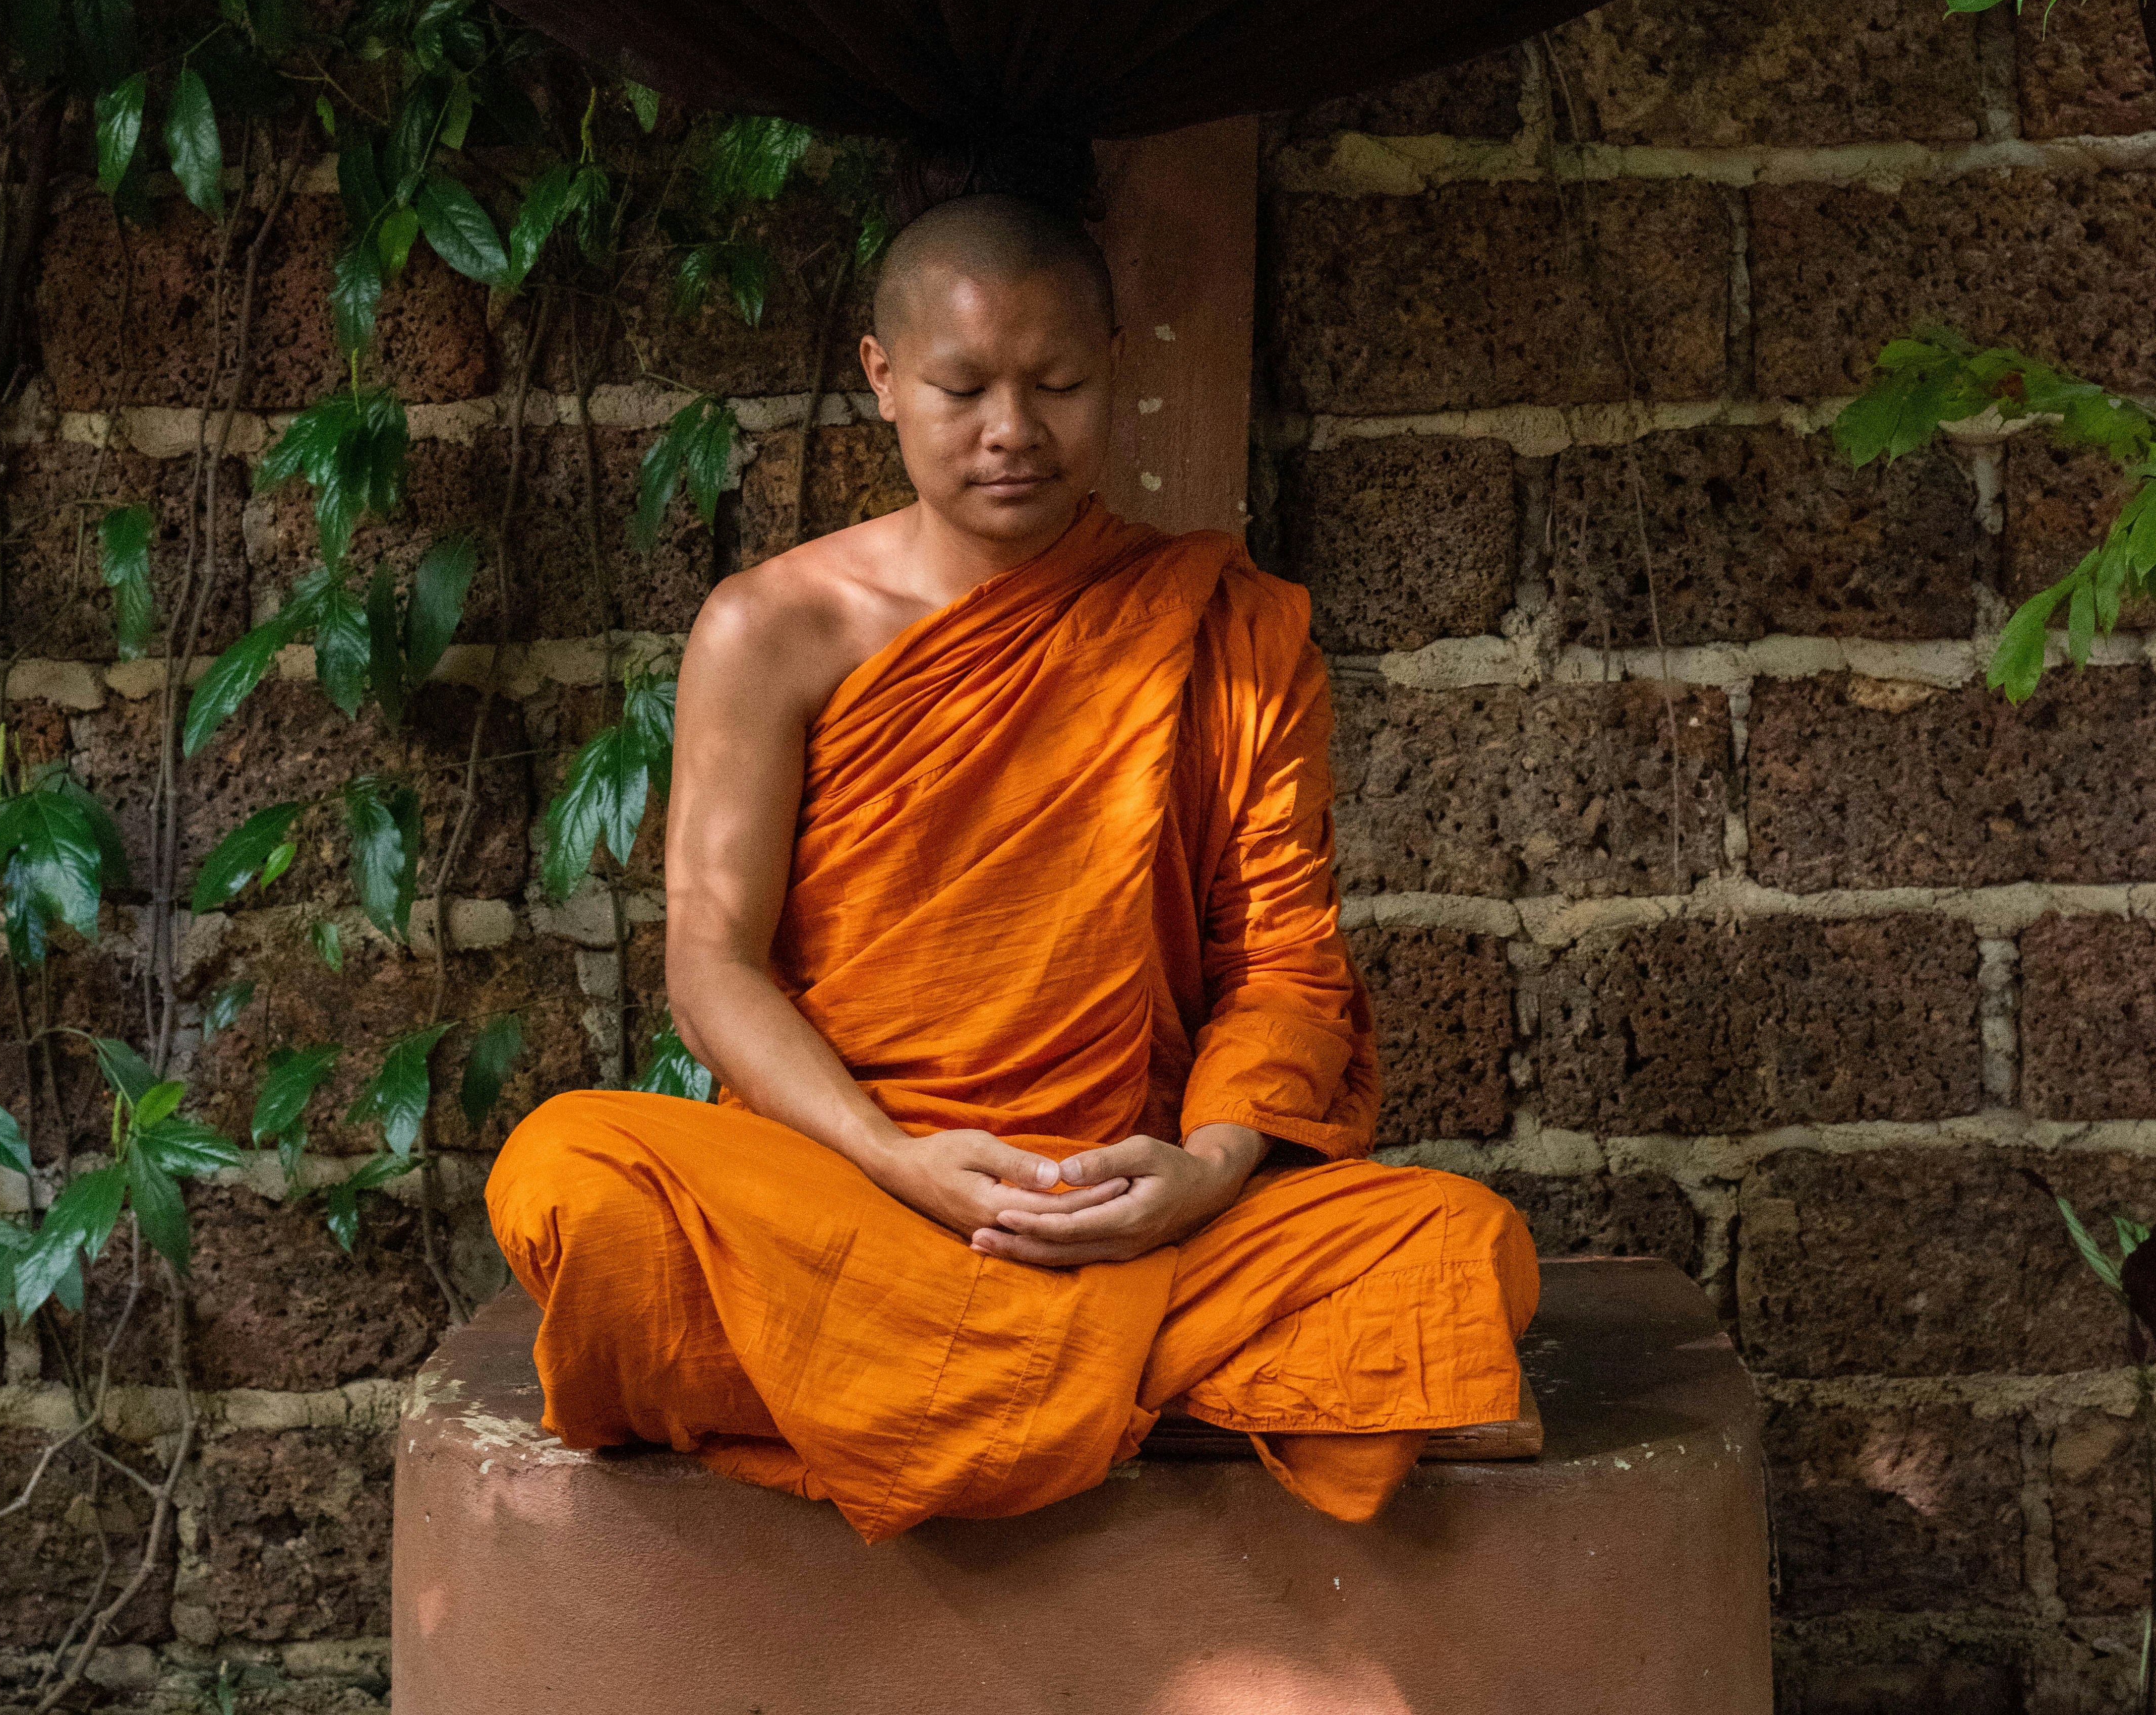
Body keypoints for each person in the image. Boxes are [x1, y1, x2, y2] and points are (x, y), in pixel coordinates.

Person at [486, 182, 1539, 1543]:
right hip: (848, 1188)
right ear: (880, 379)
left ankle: (937, 1371)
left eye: (1055, 385)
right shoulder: (773, 630)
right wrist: (896, 1158)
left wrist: (1208, 1171)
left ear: (1117, 370)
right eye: (962, 386)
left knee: (1456, 1251)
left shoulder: (1222, 628)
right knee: (569, 1176)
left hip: (1125, 1197)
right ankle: (1107, 1374)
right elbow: (710, 964)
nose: (1012, 434)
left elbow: (1282, 964)